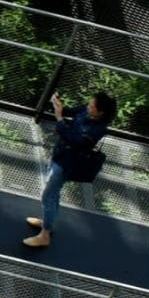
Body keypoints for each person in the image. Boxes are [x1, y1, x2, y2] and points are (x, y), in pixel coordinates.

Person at [21, 91, 114, 248]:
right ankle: (47, 223)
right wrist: (58, 104)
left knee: (48, 196)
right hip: (59, 154)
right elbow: (68, 112)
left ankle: (44, 235)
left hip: (66, 164)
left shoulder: (98, 130)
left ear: (100, 112)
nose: (88, 106)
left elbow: (75, 141)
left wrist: (59, 118)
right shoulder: (86, 111)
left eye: (92, 106)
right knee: (54, 193)